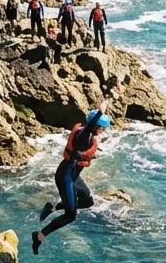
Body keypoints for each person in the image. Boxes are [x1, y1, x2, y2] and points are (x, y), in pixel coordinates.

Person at [32, 100, 110, 254]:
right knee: (70, 215)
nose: (104, 131)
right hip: (65, 177)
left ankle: (52, 207)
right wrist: (100, 112)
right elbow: (88, 129)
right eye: (103, 128)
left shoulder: (86, 134)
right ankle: (39, 236)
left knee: (87, 201)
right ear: (96, 126)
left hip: (73, 176)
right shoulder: (84, 136)